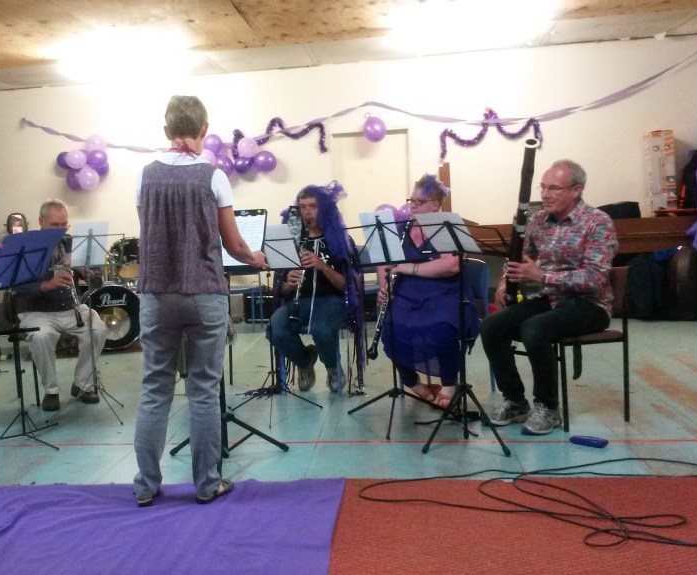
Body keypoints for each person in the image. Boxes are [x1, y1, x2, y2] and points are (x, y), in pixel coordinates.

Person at [132, 95, 267, 507]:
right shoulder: (214, 176)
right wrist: (255, 257)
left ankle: (146, 485)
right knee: (204, 391)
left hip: (157, 294)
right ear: (204, 129)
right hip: (204, 293)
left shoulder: (145, 176)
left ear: (166, 130)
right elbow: (233, 244)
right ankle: (207, 484)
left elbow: (150, 233)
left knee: (155, 389)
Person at [481, 159, 618, 435]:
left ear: (576, 190)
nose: (545, 194)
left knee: (535, 328)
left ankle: (548, 407)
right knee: (492, 326)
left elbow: (595, 277)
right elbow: (521, 257)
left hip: (590, 304)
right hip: (550, 300)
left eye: (553, 188)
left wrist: (542, 276)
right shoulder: (538, 220)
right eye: (542, 187)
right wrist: (506, 280)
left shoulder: (598, 222)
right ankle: (515, 401)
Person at [376, 175, 480, 409]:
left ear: (435, 205)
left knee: (442, 329)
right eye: (411, 200)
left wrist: (408, 268)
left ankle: (449, 384)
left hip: (445, 293)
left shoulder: (445, 228)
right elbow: (384, 261)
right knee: (389, 329)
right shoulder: (401, 229)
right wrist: (384, 285)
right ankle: (414, 384)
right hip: (406, 294)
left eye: (419, 202)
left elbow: (451, 265)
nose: (413, 206)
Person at [11, 199, 108, 411]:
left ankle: (83, 383)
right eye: (54, 225)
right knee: (41, 337)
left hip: (71, 308)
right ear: (40, 221)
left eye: (64, 225)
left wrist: (85, 270)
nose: (60, 230)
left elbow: (98, 283)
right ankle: (51, 390)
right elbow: (16, 288)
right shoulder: (26, 246)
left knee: (98, 329)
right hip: (36, 311)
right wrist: (47, 284)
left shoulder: (74, 243)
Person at [267, 182, 360, 392]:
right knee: (275, 329)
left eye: (313, 206)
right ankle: (305, 361)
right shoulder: (292, 241)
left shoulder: (339, 240)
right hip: (299, 302)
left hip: (332, 300)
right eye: (303, 207)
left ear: (324, 208)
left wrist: (323, 266)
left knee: (322, 328)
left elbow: (348, 286)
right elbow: (281, 291)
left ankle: (332, 366)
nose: (307, 212)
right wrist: (288, 284)